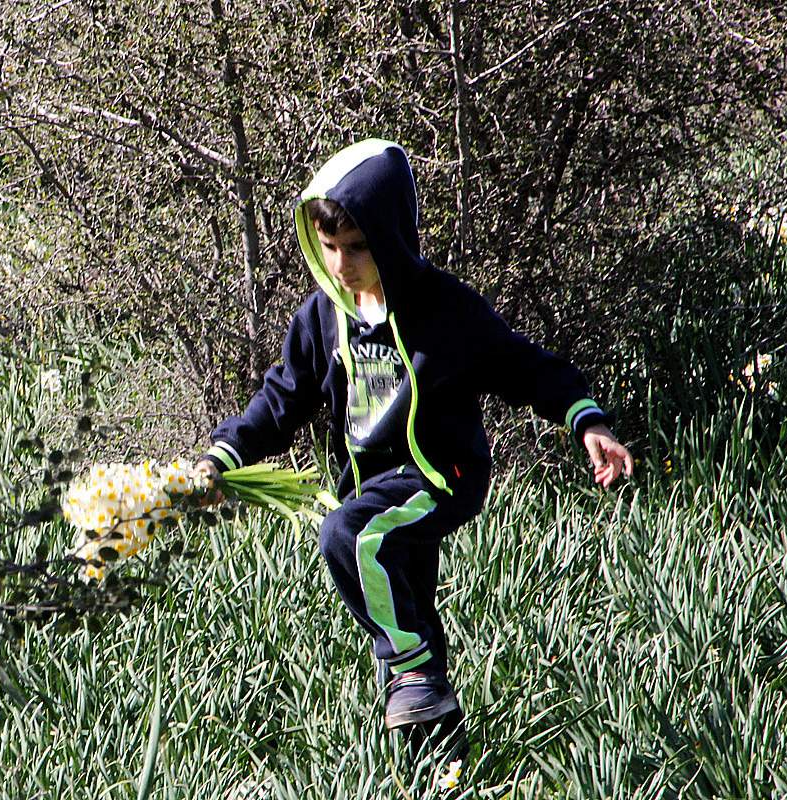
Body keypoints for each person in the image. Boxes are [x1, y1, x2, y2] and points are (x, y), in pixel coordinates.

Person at [195, 139, 633, 755]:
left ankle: (415, 671)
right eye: (330, 248)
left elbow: (525, 367)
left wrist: (587, 422)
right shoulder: (323, 316)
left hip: (441, 476)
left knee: (351, 540)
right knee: (405, 615)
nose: (342, 264)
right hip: (373, 489)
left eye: (358, 247)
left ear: (391, 236)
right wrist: (224, 457)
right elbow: (279, 400)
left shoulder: (446, 312)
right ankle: (437, 760)